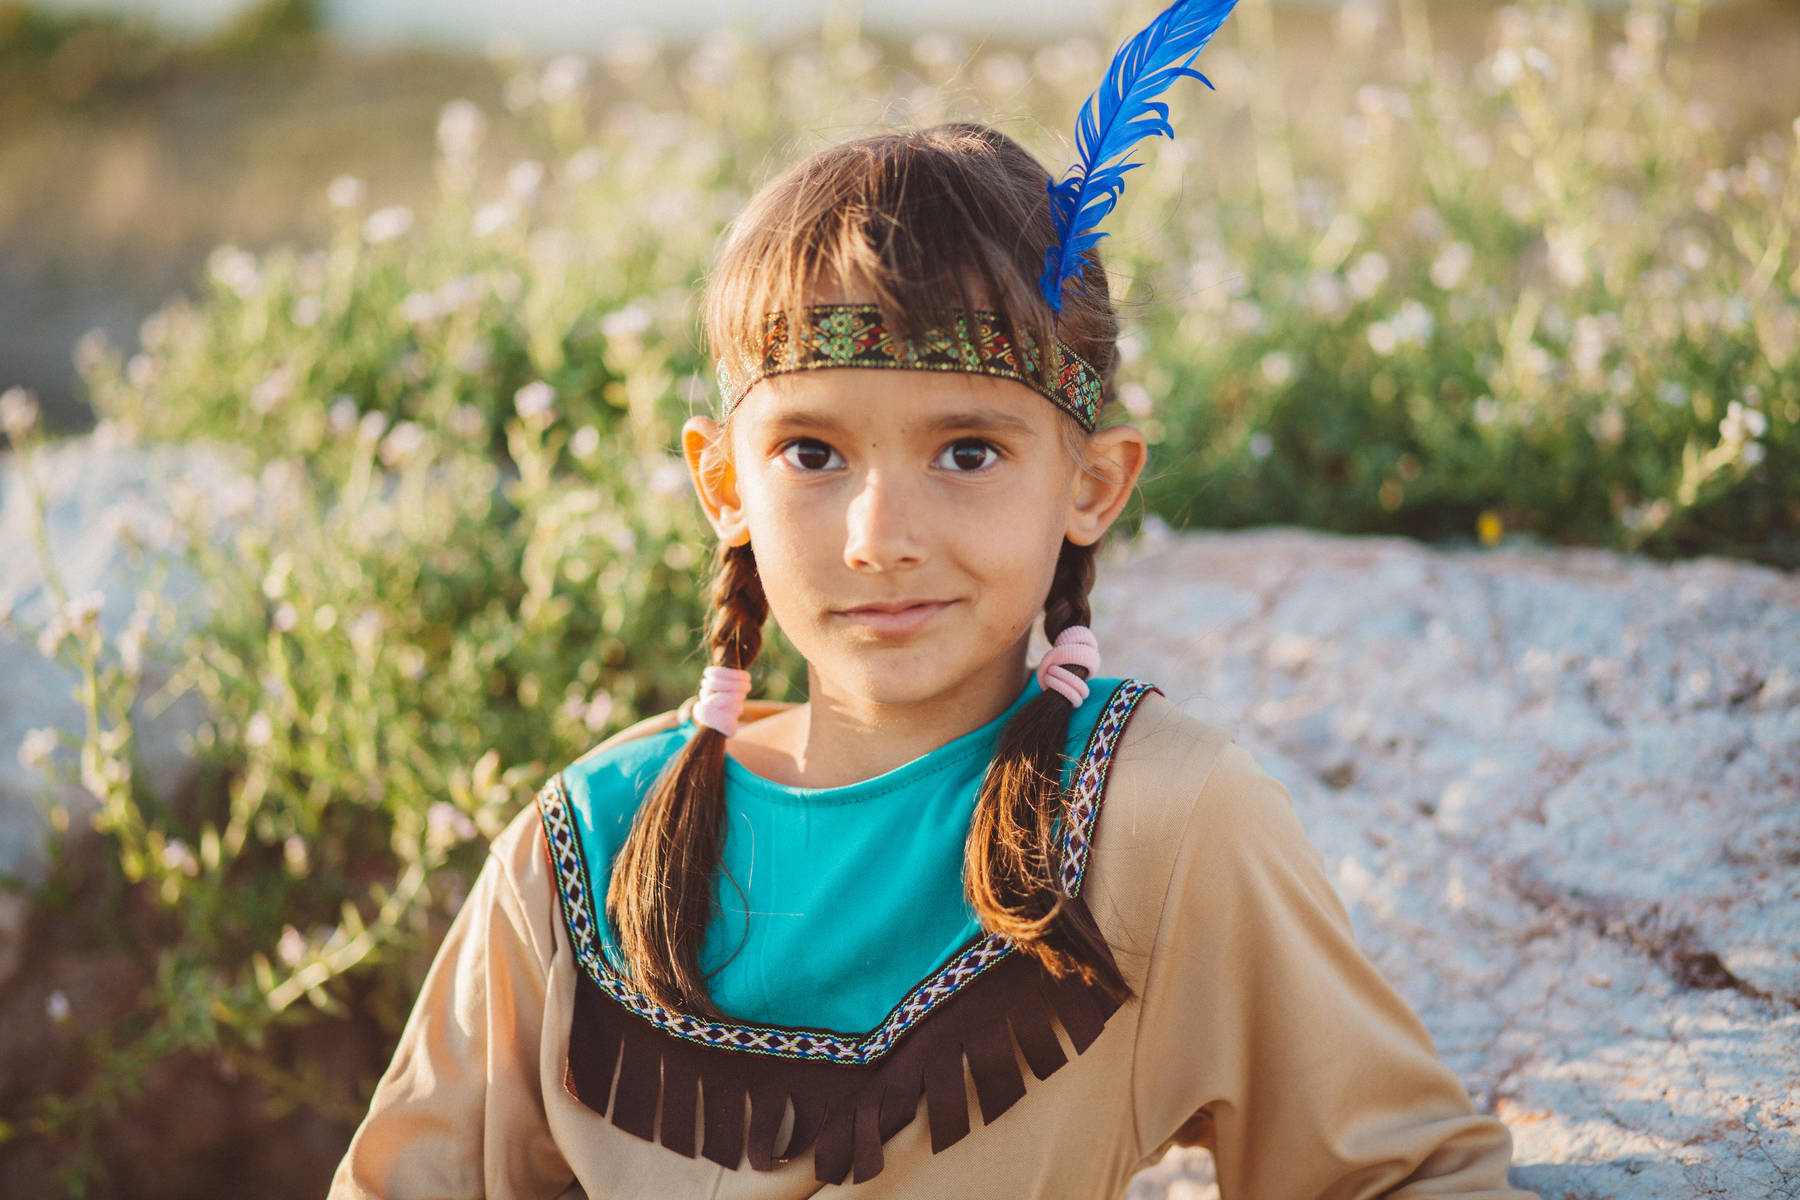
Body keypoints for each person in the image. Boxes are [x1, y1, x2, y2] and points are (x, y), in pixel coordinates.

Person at [327, 117, 1537, 1198]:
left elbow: (1399, 1175)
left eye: (967, 451)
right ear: (720, 482)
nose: (879, 540)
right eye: (811, 453)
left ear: (1093, 483)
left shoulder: (1157, 822)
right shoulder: (586, 843)